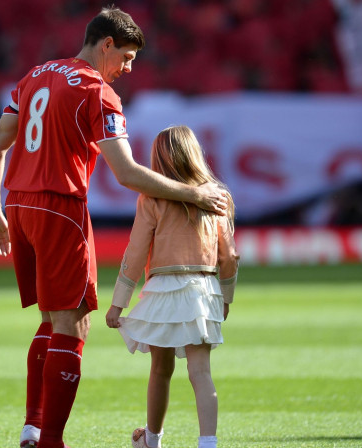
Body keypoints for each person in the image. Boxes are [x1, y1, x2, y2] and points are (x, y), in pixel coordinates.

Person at [0, 6, 229, 448]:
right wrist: (193, 193)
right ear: (106, 43)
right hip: (60, 206)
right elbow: (127, 173)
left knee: (51, 318)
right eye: (127, 56)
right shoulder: (97, 92)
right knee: (73, 324)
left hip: (17, 204)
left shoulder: (34, 75)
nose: (129, 69)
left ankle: (33, 427)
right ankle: (51, 440)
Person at [105, 125, 239, 448]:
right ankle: (208, 442)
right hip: (204, 288)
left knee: (160, 369)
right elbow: (230, 256)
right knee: (201, 372)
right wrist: (226, 297)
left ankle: (152, 439)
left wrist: (118, 303)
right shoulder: (216, 197)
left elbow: (135, 254)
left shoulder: (152, 198)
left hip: (163, 289)